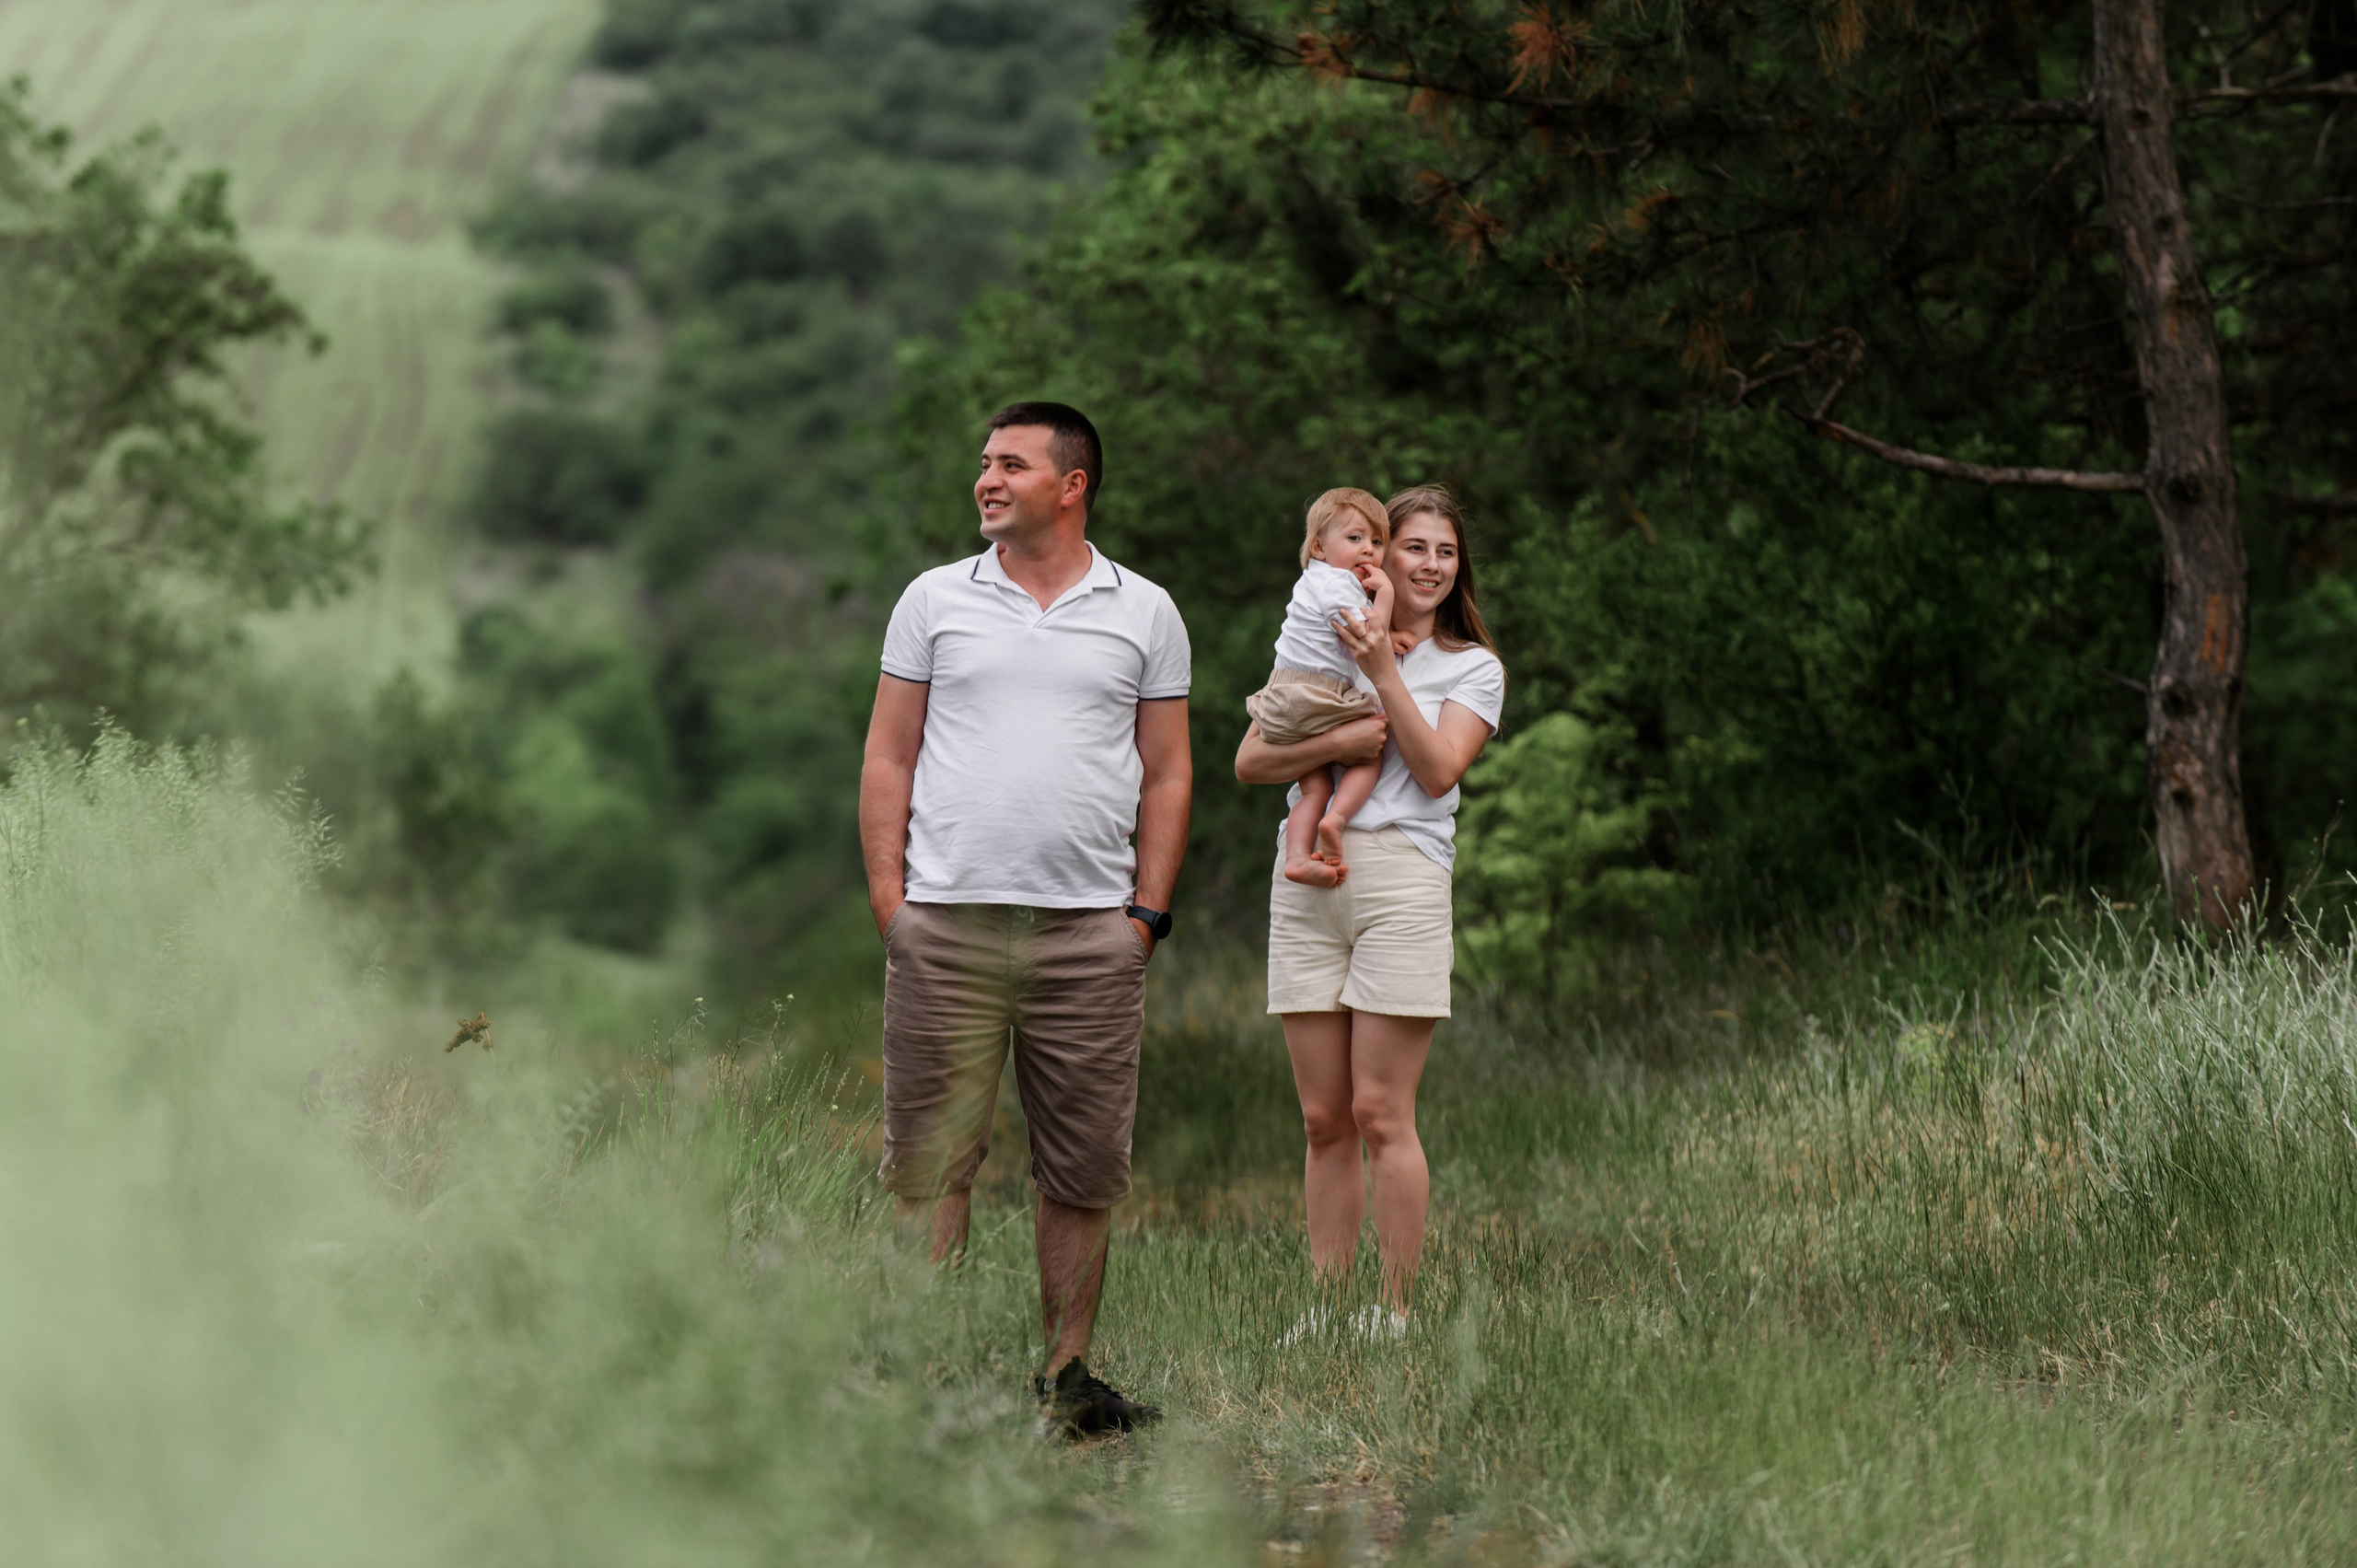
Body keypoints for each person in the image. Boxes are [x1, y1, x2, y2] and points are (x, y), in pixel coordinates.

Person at [858, 401, 1192, 1436]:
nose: (986, 479)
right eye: (983, 462)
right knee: (929, 1159)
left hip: (1090, 932)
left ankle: (1068, 1381)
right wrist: (893, 907)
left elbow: (1171, 771)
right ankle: (919, 1378)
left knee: (1082, 1165)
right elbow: (888, 755)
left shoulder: (1144, 609)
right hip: (948, 924)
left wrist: (1145, 914)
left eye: (1011, 463)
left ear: (1072, 482)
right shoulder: (931, 599)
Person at [1233, 485, 1504, 1332]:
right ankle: (1326, 1306)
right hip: (1308, 873)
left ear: (1458, 568)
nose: (1427, 564)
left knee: (1381, 1112)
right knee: (1321, 1117)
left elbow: (1437, 770)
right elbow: (1251, 759)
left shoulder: (1471, 667)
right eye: (1411, 546)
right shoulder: (1330, 631)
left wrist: (1384, 671)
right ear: (1376, 554)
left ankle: (1394, 1310)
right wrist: (1338, 742)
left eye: (1444, 552)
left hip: (1402, 878)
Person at [1244, 488, 1410, 889]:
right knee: (1370, 750)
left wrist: (1390, 631)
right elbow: (1369, 639)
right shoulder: (1338, 584)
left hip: (1283, 696)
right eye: (1354, 539)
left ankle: (1298, 858)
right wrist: (1384, 593)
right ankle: (1336, 820)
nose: (1368, 551)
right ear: (1319, 546)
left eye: (1376, 542)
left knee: (1314, 784)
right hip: (1318, 693)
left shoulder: (1311, 583)